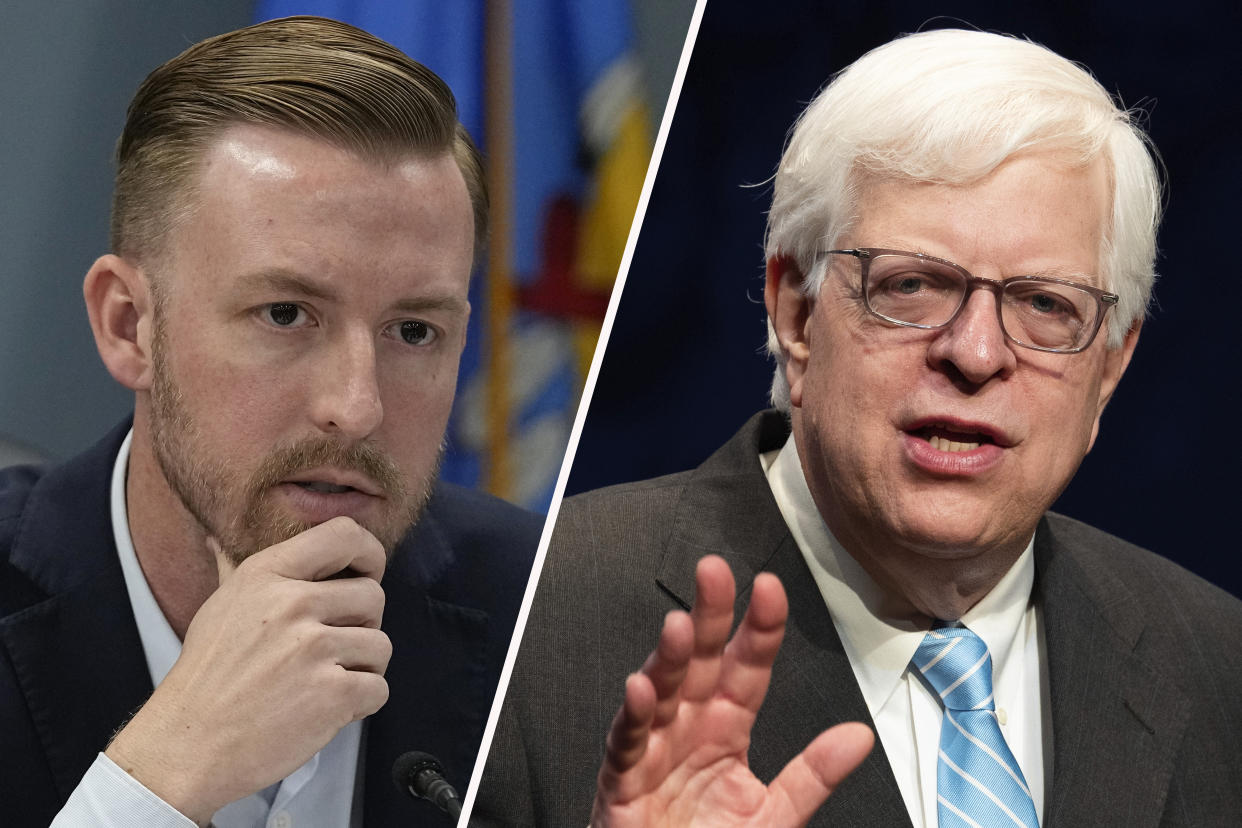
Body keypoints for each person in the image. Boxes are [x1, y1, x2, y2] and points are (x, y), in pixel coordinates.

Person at [476, 28, 1242, 827]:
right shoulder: (533, 621)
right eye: (913, 285)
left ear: (1110, 367)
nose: (976, 354)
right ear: (797, 314)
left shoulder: (1219, 665)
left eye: (1046, 305)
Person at [0, 16, 540, 827]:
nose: (357, 408)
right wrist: (159, 777)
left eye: (414, 331)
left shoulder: (553, 618)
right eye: (286, 313)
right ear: (127, 325)